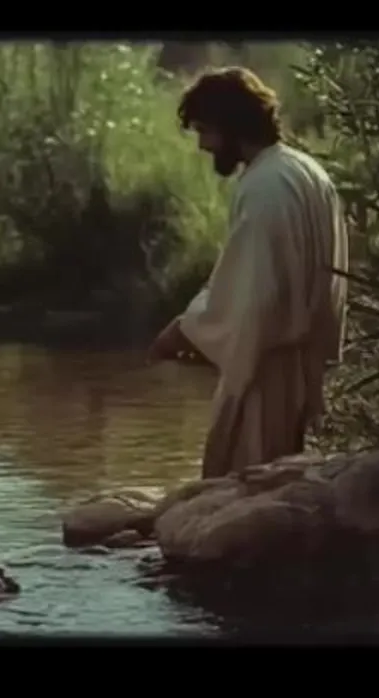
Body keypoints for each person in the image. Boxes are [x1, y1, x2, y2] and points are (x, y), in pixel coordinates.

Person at [147, 67, 350, 479]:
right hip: (300, 363)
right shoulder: (304, 169)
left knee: (244, 484)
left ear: (231, 125)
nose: (203, 145)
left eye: (205, 130)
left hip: (266, 370)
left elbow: (253, 293)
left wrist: (186, 329)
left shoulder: (265, 187)